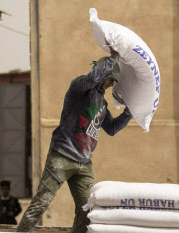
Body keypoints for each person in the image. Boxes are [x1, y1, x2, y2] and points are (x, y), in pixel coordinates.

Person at [17, 49, 132, 233]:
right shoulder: (79, 87)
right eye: (110, 78)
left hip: (84, 164)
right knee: (41, 203)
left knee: (87, 211)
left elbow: (111, 129)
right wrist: (113, 58)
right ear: (103, 73)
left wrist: (129, 112)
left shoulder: (102, 104)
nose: (111, 84)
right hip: (61, 157)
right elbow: (91, 79)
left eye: (113, 81)